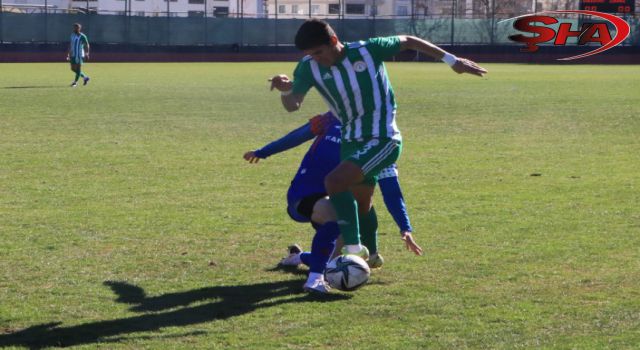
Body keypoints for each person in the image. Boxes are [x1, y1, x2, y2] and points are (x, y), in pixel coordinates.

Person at [269, 19, 486, 260]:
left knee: (334, 181)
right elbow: (293, 105)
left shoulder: (367, 50)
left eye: (318, 52)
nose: (316, 58)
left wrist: (452, 61)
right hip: (351, 140)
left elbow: (408, 41)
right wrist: (286, 90)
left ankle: (352, 252)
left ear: (333, 41)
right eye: (310, 54)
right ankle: (370, 256)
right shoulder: (308, 67)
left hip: (383, 137)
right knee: (361, 204)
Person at [244, 112, 421, 294]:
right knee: (338, 215)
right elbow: (297, 136)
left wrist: (405, 228)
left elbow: (391, 190)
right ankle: (314, 280)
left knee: (335, 260)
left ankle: (298, 257)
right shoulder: (332, 119)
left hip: (338, 199)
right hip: (305, 193)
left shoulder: (380, 144)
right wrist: (262, 152)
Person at [67, 23, 90, 87]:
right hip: (73, 54)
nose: (75, 29)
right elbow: (70, 44)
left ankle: (75, 82)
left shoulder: (82, 36)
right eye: (74, 27)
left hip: (79, 55)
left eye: (76, 28)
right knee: (72, 69)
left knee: (78, 69)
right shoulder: (72, 35)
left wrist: (87, 53)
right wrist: (68, 53)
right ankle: (85, 77)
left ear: (79, 29)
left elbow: (87, 44)